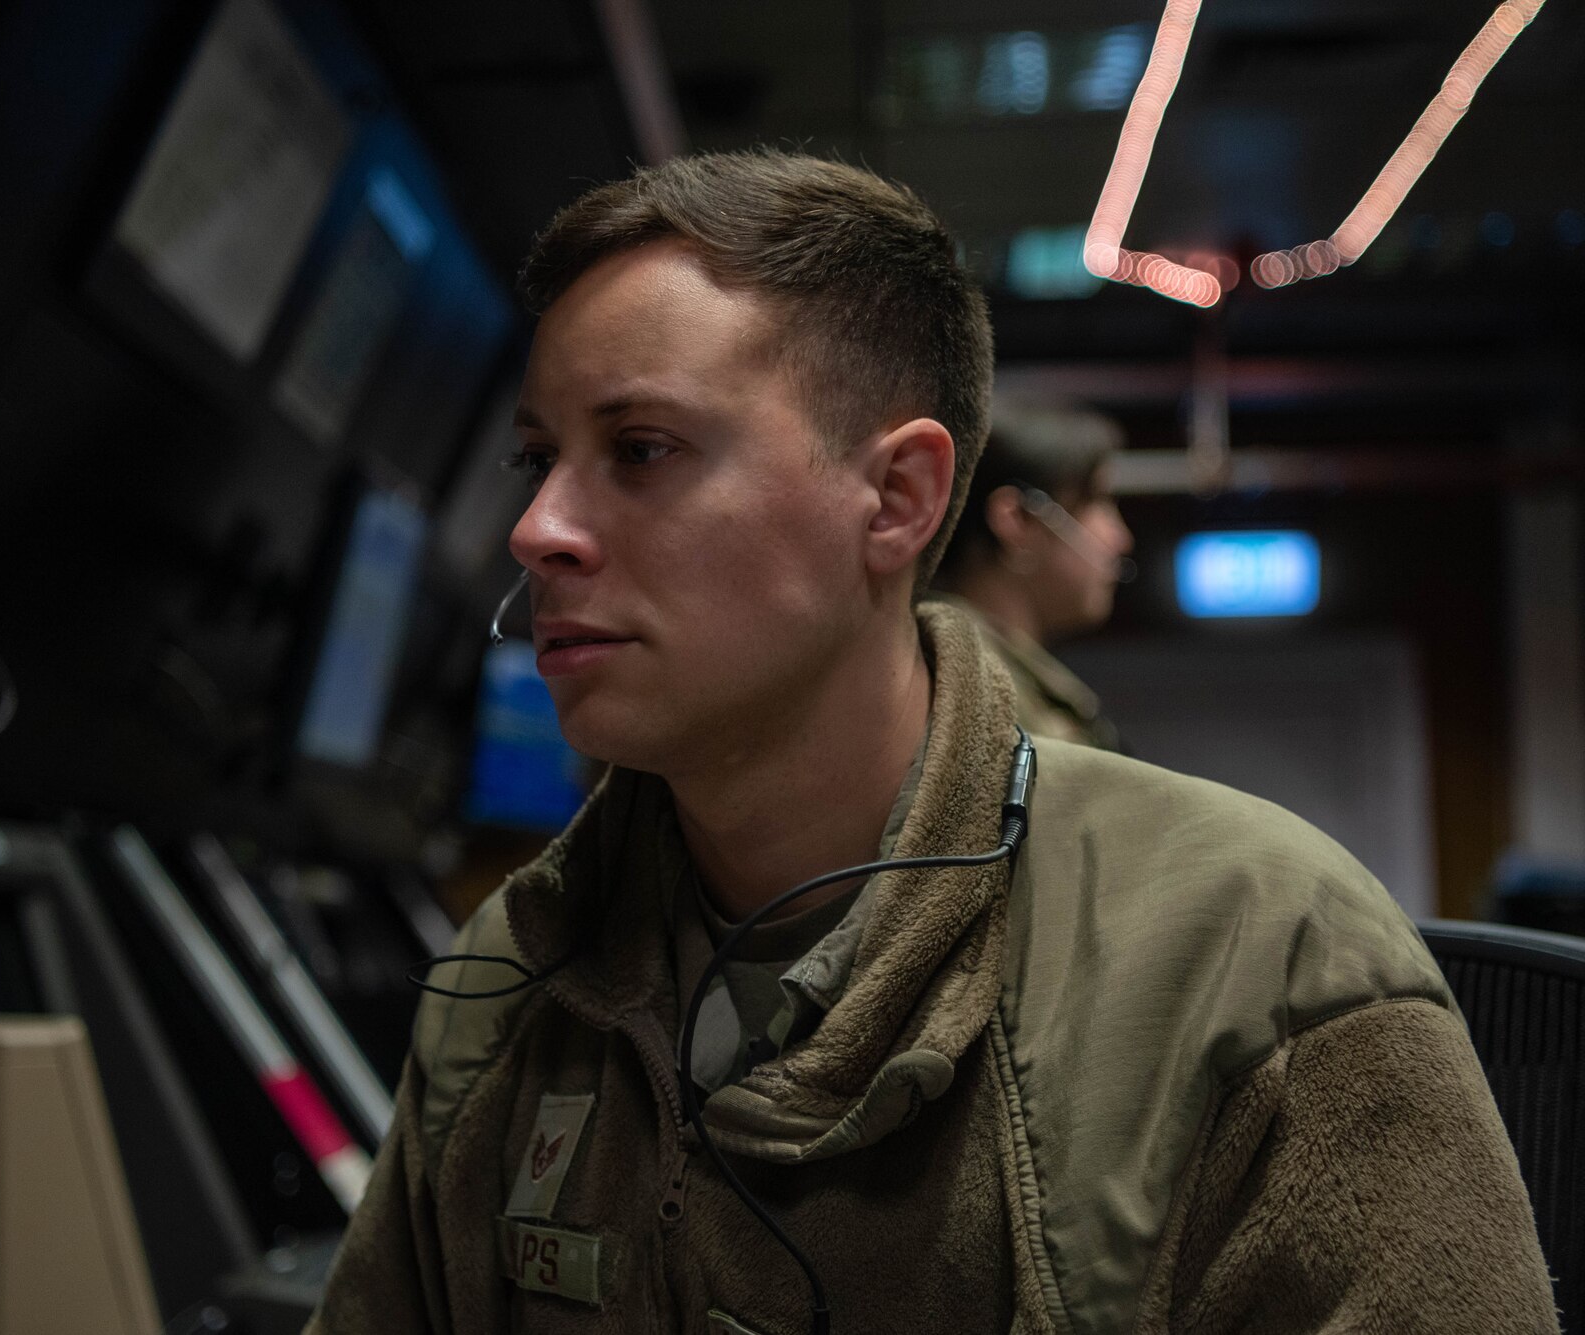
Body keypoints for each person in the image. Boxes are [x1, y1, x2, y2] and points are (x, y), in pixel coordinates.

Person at [305, 150, 1555, 1334]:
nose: (538, 528)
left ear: (895, 499)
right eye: (538, 458)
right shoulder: (512, 977)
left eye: (639, 451)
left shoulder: (1257, 953)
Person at [929, 398, 1131, 749]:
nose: (1121, 538)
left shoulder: (980, 675)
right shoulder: (983, 700)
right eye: (1096, 501)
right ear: (1017, 521)